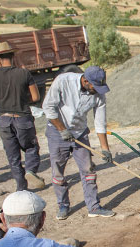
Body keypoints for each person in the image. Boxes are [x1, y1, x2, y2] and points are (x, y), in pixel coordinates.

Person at [41, 65, 115, 220]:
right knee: (58, 171)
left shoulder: (99, 94)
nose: (98, 90)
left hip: (79, 133)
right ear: (86, 80)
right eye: (95, 86)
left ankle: (93, 206)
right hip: (57, 131)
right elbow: (48, 107)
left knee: (88, 170)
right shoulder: (63, 81)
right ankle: (63, 205)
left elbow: (100, 122)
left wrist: (105, 148)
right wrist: (62, 129)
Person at [0, 41, 45, 192]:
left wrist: (2, 102)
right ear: (13, 56)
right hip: (22, 116)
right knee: (31, 147)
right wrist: (21, 100)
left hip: (4, 118)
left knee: (13, 156)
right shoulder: (23, 73)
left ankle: (21, 188)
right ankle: (30, 170)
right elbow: (36, 96)